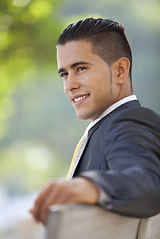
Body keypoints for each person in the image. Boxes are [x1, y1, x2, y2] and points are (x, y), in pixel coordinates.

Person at [30, 17, 160, 225]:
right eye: (64, 74)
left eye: (80, 69)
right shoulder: (104, 127)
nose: (69, 85)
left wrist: (87, 187)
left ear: (119, 71)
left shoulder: (129, 122)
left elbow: (147, 184)